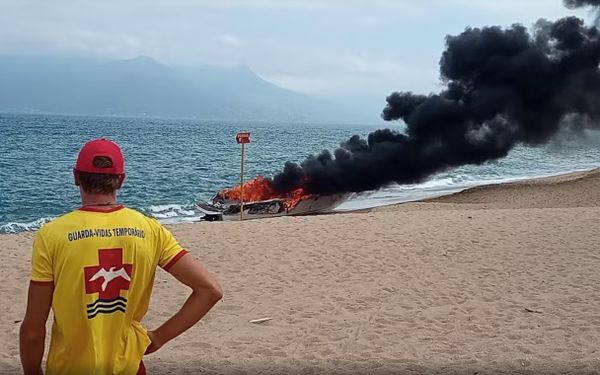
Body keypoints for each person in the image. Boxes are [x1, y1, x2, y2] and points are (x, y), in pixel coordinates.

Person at [19, 138, 223, 375]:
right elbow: (210, 290)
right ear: (121, 180)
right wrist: (158, 338)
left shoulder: (51, 235)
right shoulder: (151, 230)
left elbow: (33, 330)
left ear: (76, 177)